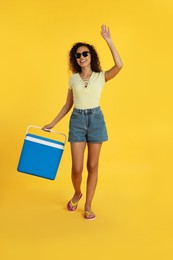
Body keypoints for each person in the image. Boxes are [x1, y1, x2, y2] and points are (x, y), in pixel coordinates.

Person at [43, 25, 123, 220]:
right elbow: (68, 104)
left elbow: (119, 66)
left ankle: (88, 205)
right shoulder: (73, 79)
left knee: (92, 166)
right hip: (77, 120)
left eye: (85, 53)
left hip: (96, 120)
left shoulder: (100, 76)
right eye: (78, 55)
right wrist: (53, 123)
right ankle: (77, 192)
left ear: (91, 56)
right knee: (77, 168)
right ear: (75, 60)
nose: (82, 57)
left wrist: (109, 41)